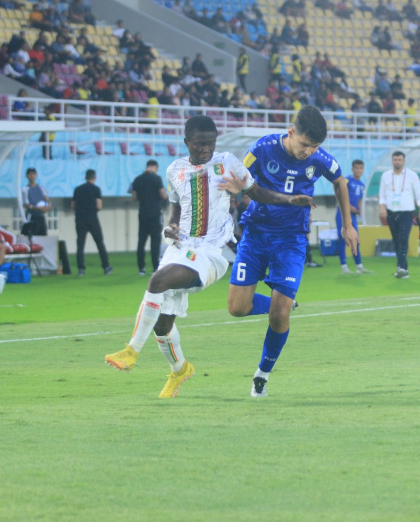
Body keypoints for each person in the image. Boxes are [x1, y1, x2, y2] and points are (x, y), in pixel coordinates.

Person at [104, 116, 314, 398]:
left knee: (157, 281)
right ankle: (180, 369)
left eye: (210, 144)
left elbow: (256, 192)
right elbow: (175, 210)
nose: (206, 149)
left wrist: (290, 200)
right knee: (162, 325)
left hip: (210, 252)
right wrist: (170, 227)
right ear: (186, 142)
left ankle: (132, 350)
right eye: (199, 144)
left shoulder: (227, 162)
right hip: (179, 248)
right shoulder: (174, 170)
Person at [226, 105, 359, 398]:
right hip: (255, 235)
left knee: (279, 314)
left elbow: (340, 182)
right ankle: (284, 302)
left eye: (314, 147)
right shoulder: (262, 149)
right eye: (305, 144)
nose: (308, 152)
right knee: (237, 308)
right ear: (291, 132)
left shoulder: (319, 159)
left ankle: (262, 374)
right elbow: (239, 181)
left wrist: (348, 225)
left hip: (291, 240)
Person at [378, 150, 420, 279]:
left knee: (403, 239)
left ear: (404, 161)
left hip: (406, 212)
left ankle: (402, 267)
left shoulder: (412, 175)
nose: (397, 162)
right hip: (391, 212)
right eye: (395, 160)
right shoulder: (386, 175)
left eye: (399, 160)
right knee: (396, 240)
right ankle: (403, 268)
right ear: (392, 161)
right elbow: (382, 194)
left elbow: (419, 193)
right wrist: (382, 207)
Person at [72, 169, 112, 276]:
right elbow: (99, 205)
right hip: (92, 219)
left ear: (85, 177)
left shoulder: (77, 189)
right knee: (99, 243)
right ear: (94, 177)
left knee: (80, 244)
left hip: (80, 220)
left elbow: (73, 205)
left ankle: (81, 269)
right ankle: (106, 266)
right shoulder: (96, 189)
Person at [131, 159, 167, 275]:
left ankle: (141, 268)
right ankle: (155, 267)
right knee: (155, 241)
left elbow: (134, 197)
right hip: (155, 213)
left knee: (141, 241)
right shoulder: (157, 178)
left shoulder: (137, 179)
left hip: (143, 213)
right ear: (155, 167)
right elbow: (163, 195)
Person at [337, 159, 371, 274]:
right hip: (342, 213)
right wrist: (349, 207)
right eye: (356, 168)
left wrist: (360, 209)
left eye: (361, 168)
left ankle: (359, 266)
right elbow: (339, 193)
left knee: (355, 239)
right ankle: (344, 267)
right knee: (343, 238)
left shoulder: (361, 185)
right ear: (352, 169)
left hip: (353, 215)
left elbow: (360, 199)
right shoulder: (347, 180)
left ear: (363, 170)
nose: (358, 170)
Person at [21, 167, 51, 235]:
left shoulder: (41, 188)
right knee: (31, 234)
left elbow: (47, 199)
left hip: (40, 215)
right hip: (31, 215)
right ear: (27, 176)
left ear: (36, 175)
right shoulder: (25, 189)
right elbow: (26, 204)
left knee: (43, 234)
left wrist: (48, 207)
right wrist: (38, 208)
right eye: (30, 174)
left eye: (33, 174)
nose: (32, 176)